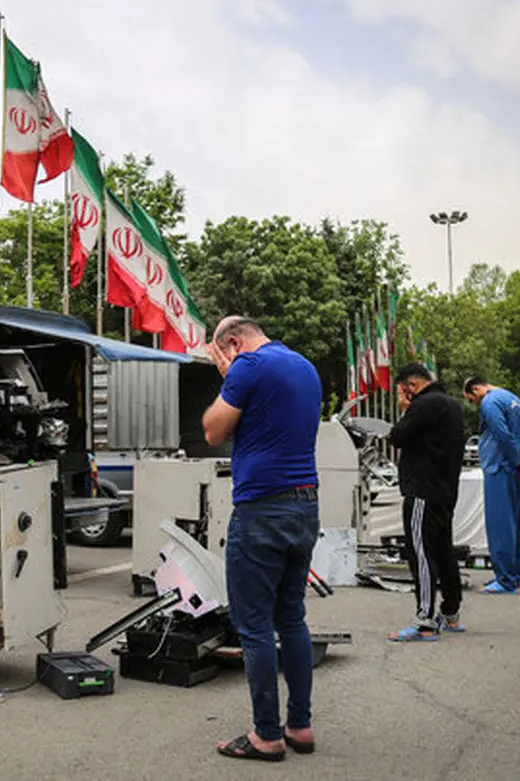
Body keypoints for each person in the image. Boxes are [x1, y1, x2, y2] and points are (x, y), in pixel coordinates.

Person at [201, 315, 322, 762]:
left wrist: (227, 378)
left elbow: (213, 430)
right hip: (305, 503)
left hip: (261, 509)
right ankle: (300, 726)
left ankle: (266, 735)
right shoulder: (304, 366)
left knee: (253, 627)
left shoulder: (248, 366)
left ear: (233, 343)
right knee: (291, 618)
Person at [385, 363, 467, 642]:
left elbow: (397, 436)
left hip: (422, 489)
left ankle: (425, 619)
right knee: (443, 550)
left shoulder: (424, 405)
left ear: (412, 385)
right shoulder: (453, 405)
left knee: (420, 551)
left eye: (403, 389)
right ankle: (451, 612)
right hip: (445, 489)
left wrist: (405, 407)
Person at [463, 376, 520, 594]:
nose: (474, 404)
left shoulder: (490, 402)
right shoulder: (512, 398)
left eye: (471, 399)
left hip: (501, 467)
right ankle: (511, 575)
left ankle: (505, 580)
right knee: (514, 524)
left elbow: (502, 434)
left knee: (500, 525)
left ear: (476, 389)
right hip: (516, 467)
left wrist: (518, 462)